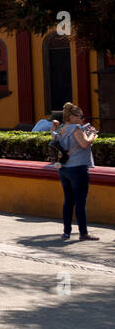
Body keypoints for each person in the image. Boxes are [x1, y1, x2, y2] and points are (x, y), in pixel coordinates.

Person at [56, 102, 100, 241]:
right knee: (80, 202)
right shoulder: (76, 128)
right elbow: (85, 144)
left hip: (64, 168)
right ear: (72, 116)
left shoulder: (63, 128)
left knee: (68, 201)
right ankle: (83, 233)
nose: (82, 119)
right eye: (80, 116)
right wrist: (93, 135)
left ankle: (66, 233)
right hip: (78, 168)